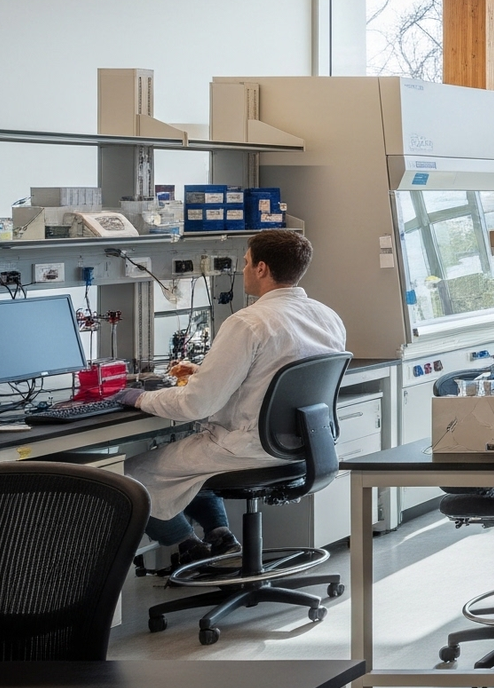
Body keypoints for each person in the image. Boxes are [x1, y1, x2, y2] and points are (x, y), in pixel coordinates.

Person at [118, 230, 348, 568]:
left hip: (244, 450)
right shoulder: (326, 316)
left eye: (245, 263)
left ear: (261, 269)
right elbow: (273, 378)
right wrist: (204, 372)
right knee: (187, 462)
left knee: (125, 479)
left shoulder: (248, 322)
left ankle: (188, 548)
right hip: (302, 447)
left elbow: (195, 406)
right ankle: (221, 537)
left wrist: (135, 397)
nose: (242, 270)